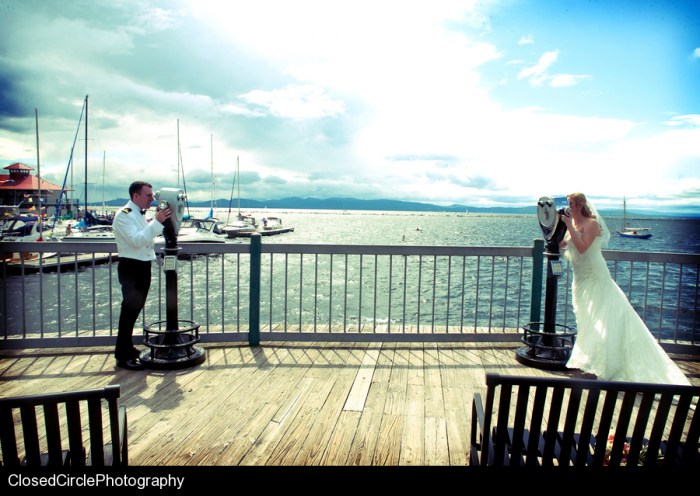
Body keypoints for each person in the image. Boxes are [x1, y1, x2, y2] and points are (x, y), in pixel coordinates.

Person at [560, 192, 691, 386]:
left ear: (579, 205)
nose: (568, 207)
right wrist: (559, 228)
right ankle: (592, 358)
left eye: (570, 203)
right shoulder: (573, 225)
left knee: (605, 317)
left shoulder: (591, 223)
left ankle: (611, 362)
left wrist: (570, 226)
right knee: (587, 318)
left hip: (596, 277)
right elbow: (563, 244)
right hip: (580, 279)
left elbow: (583, 248)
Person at [112, 181, 172, 370]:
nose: (152, 199)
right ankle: (122, 356)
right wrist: (157, 222)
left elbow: (146, 237)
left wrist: (156, 222)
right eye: (148, 195)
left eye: (152, 195)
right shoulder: (123, 216)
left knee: (134, 311)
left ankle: (127, 349)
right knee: (128, 312)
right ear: (135, 196)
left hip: (142, 265)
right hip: (131, 267)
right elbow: (137, 241)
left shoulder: (137, 214)